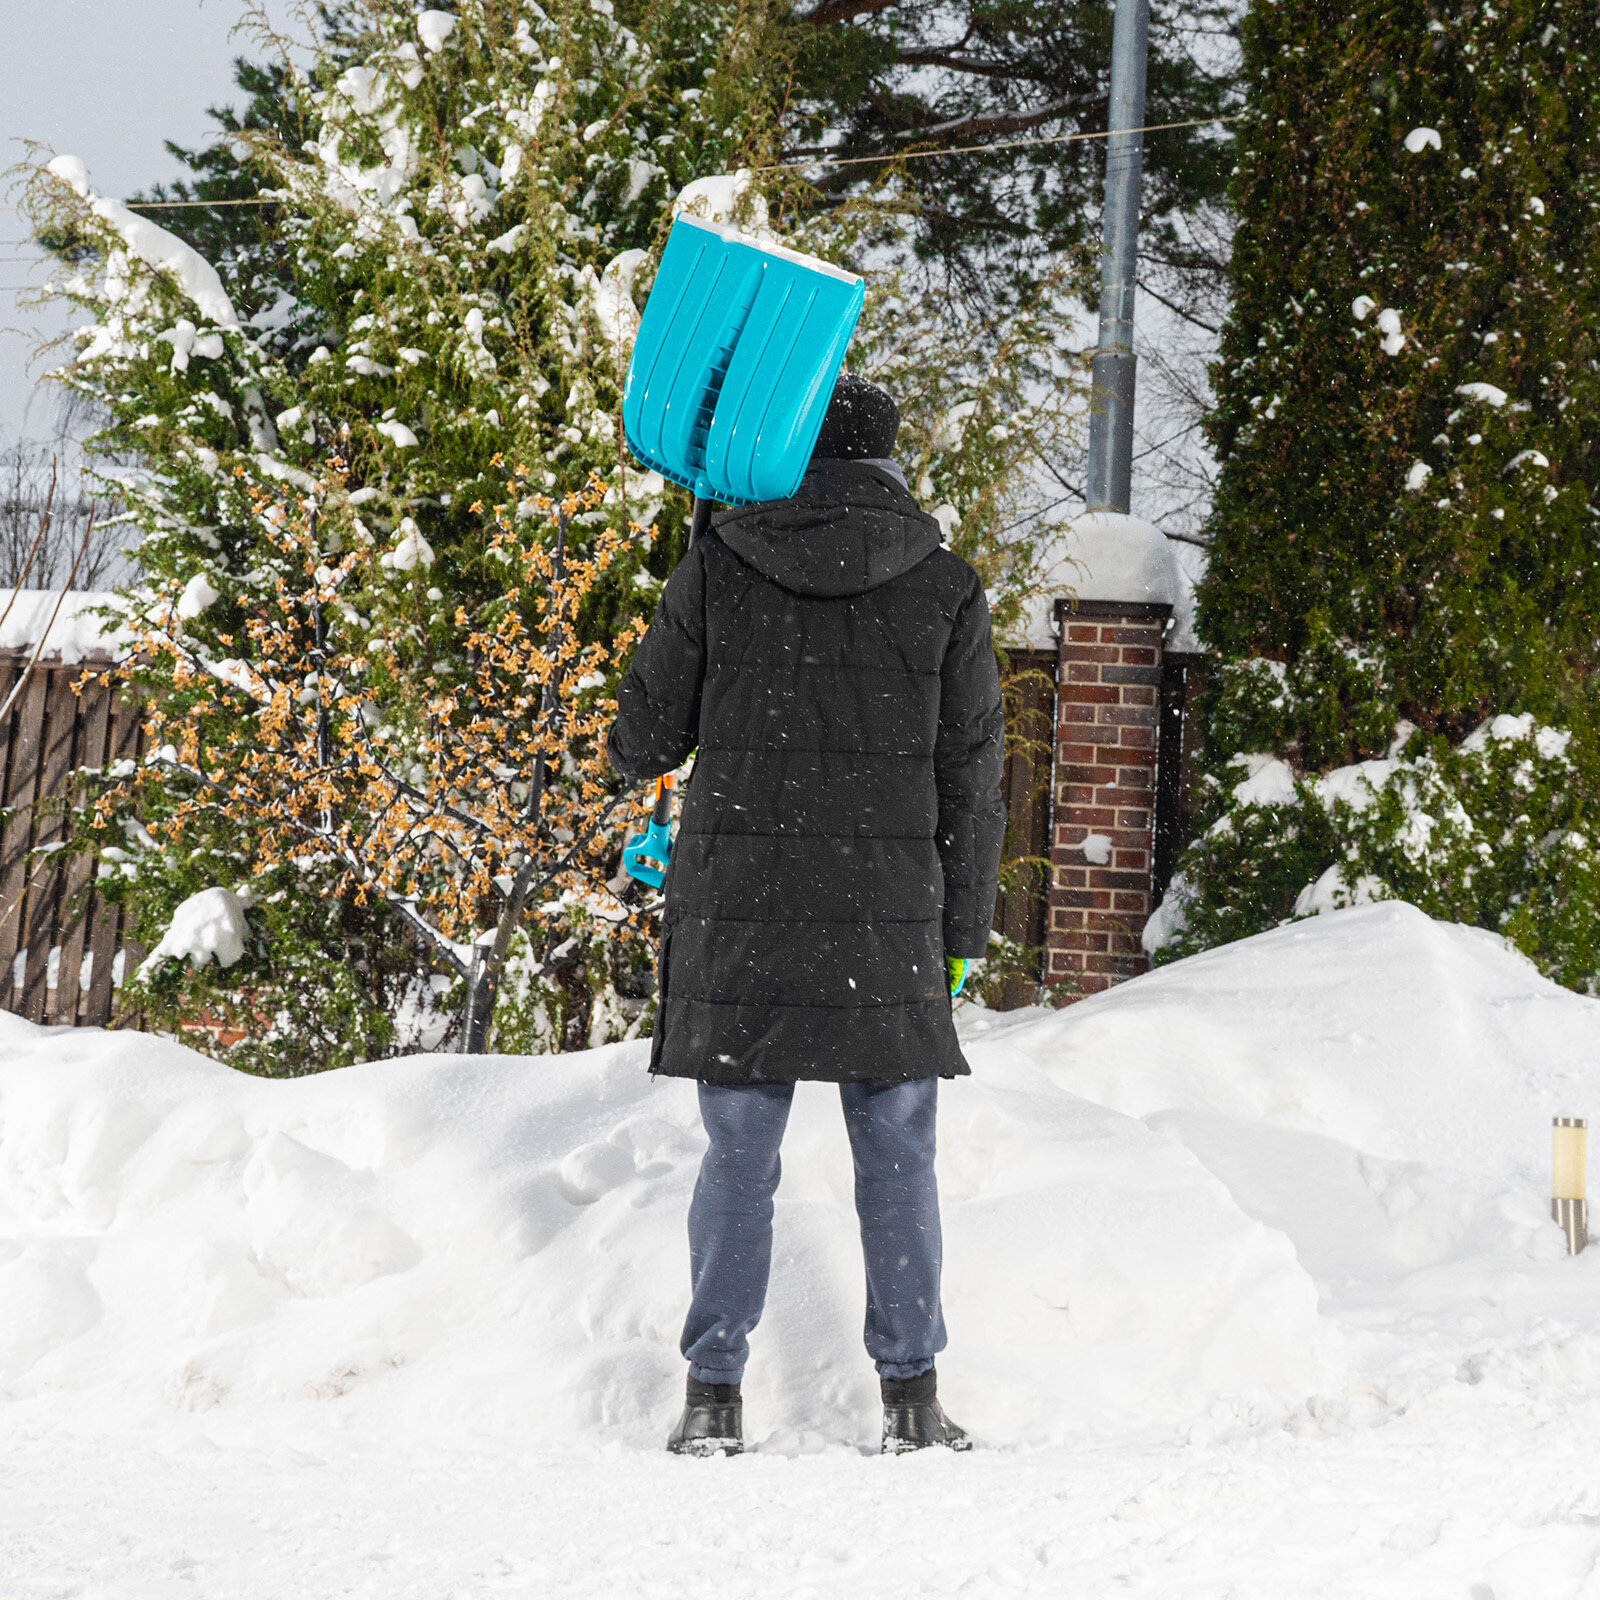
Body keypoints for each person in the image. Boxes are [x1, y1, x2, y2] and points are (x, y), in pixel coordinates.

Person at [607, 373, 1005, 1456]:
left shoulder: (721, 564)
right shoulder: (946, 586)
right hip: (888, 919)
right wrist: (961, 937)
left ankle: (713, 1399)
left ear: (782, 451)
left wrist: (701, 561)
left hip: (744, 911)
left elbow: (641, 740)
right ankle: (913, 1402)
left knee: (738, 1156)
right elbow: (973, 781)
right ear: (890, 464)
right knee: (898, 1155)